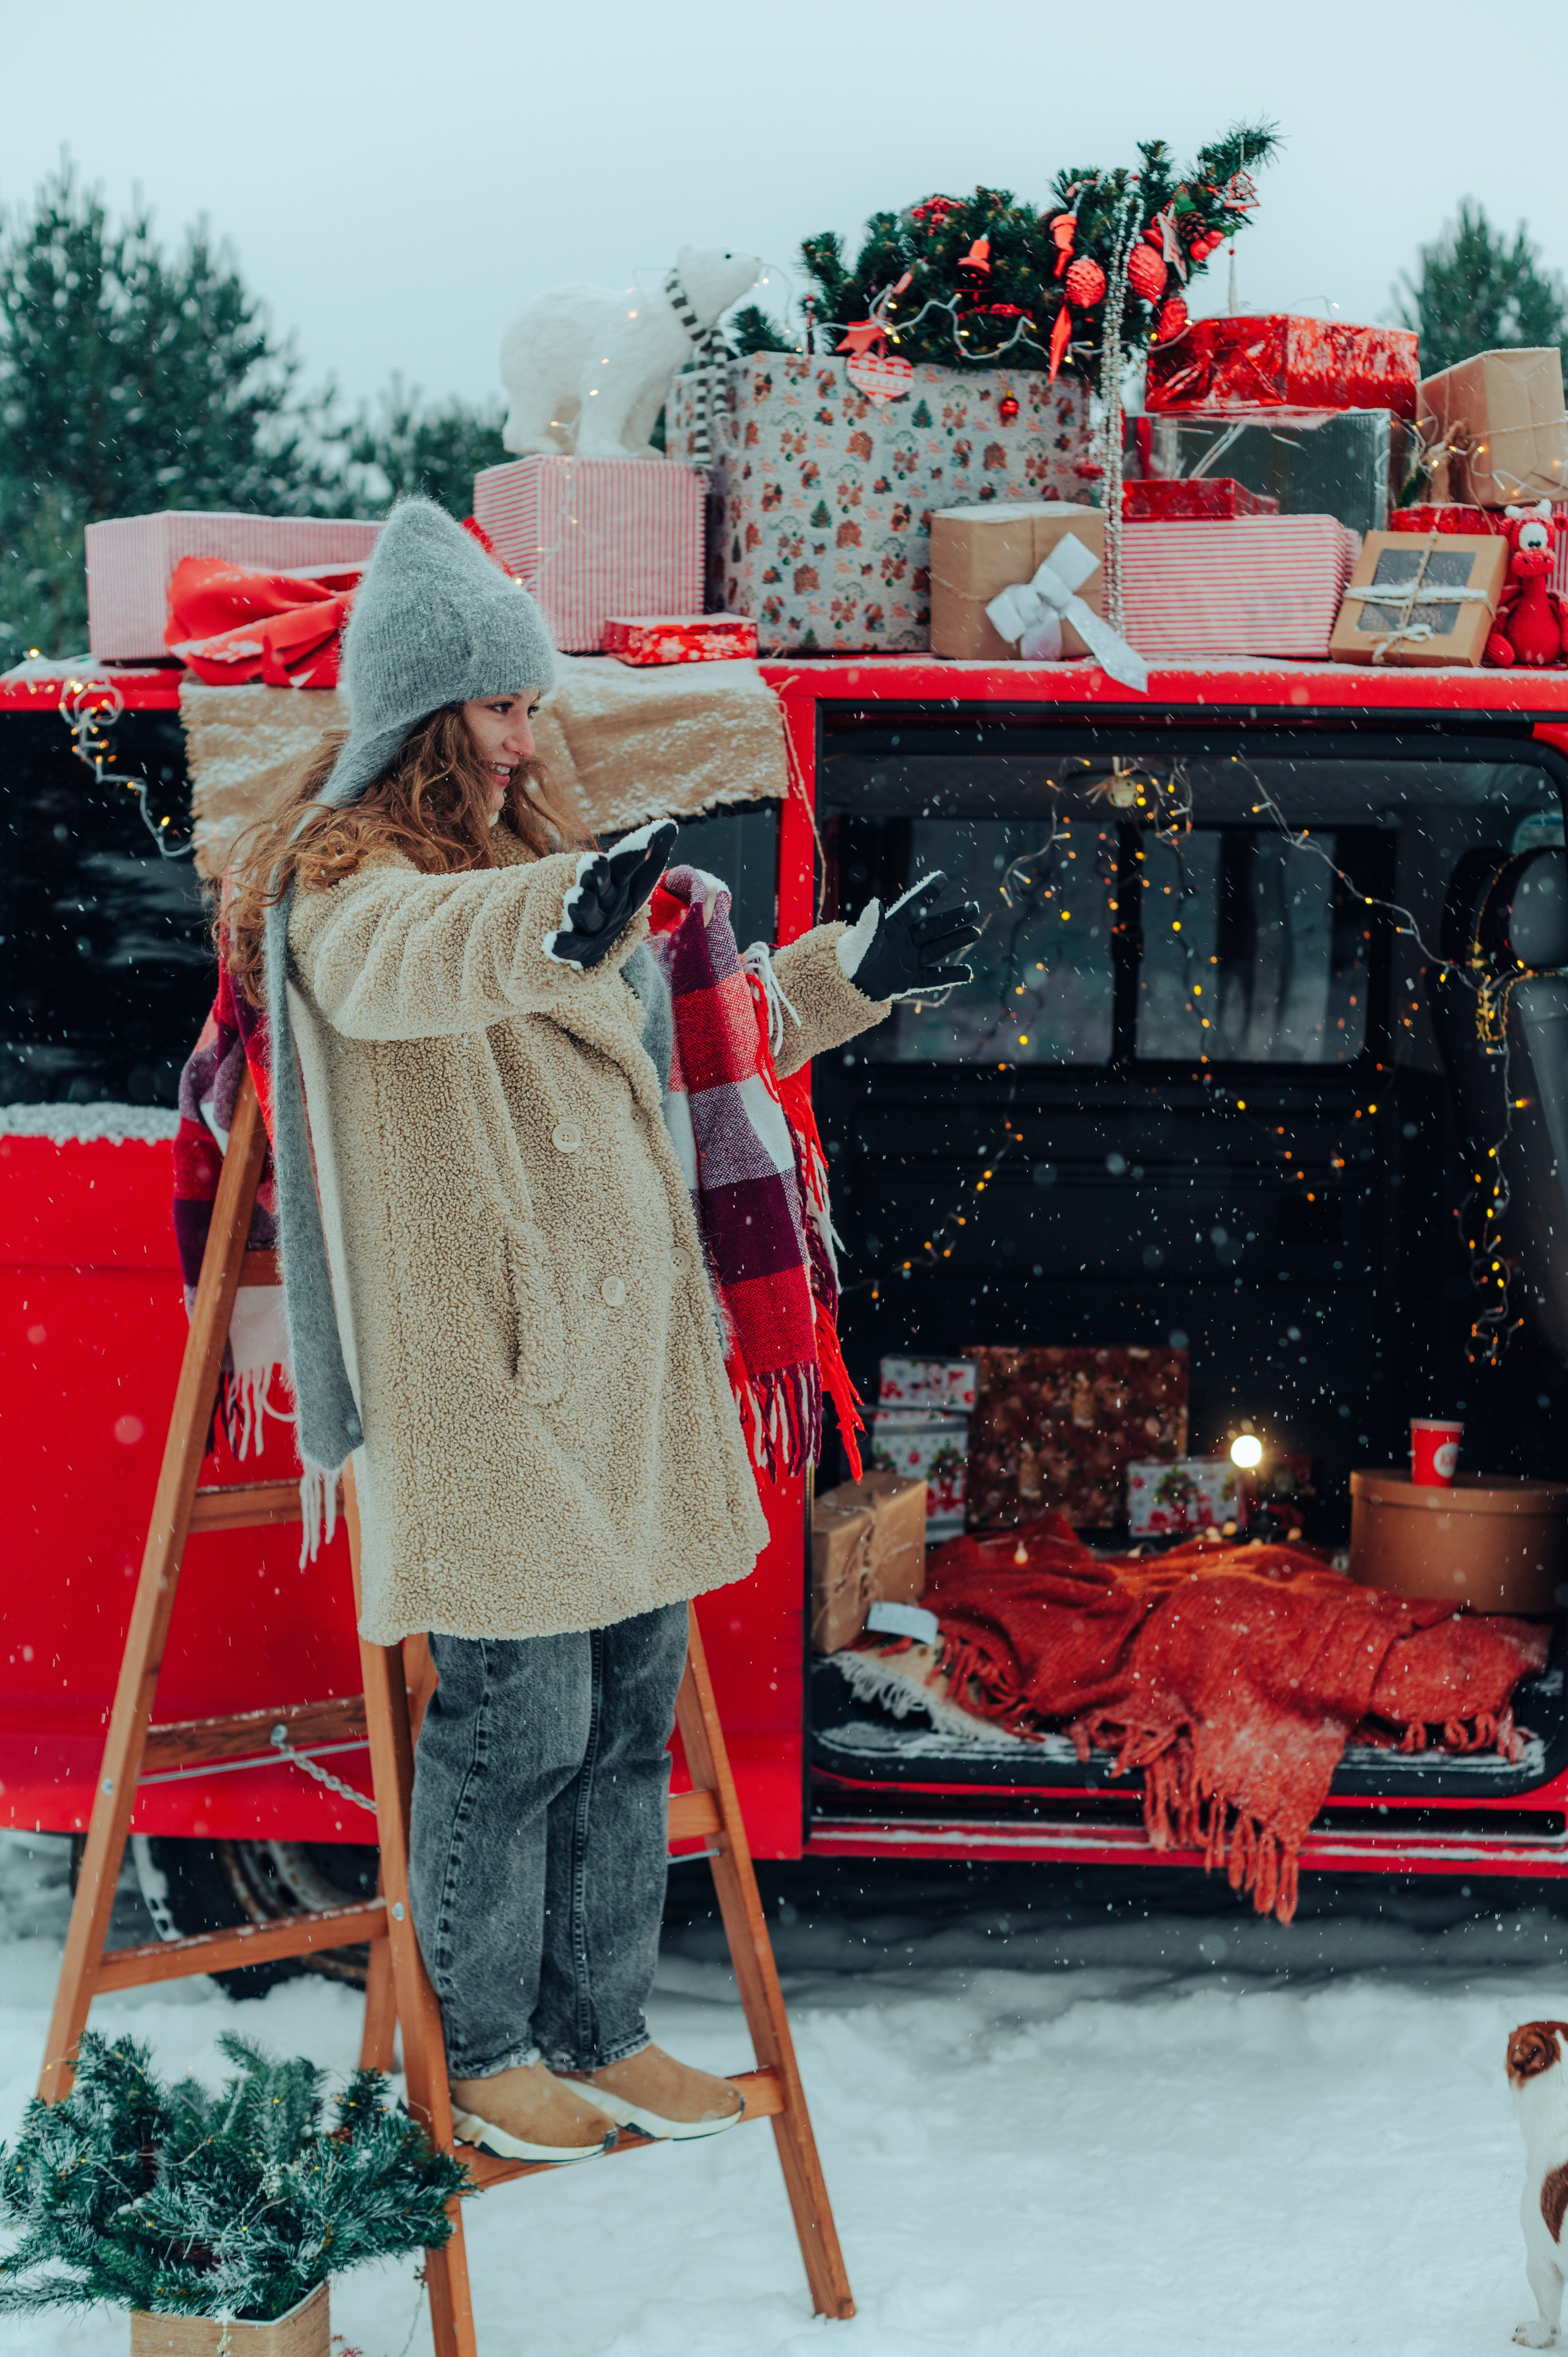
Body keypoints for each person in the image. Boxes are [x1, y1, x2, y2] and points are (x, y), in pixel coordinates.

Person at [225, 500, 979, 2162]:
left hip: (625, 1359)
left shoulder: (562, 881)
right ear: (427, 717)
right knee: (518, 1724)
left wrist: (861, 969)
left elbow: (709, 1028)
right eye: (498, 706)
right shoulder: (349, 894)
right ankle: (486, 2045)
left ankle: (602, 2025)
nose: (525, 732)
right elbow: (427, 962)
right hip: (486, 1378)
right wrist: (551, 915)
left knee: (634, 1713)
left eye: (526, 702)